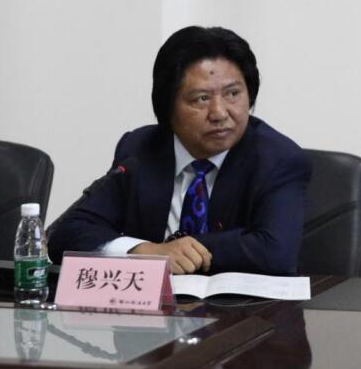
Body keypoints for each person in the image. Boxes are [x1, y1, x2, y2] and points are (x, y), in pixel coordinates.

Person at [47, 26, 311, 275]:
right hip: (151, 306)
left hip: (242, 307)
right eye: (202, 99)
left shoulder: (279, 160)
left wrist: (181, 248)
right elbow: (67, 233)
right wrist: (143, 251)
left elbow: (276, 252)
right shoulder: (141, 148)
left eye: (233, 94)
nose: (219, 113)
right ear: (168, 107)